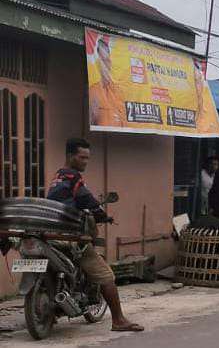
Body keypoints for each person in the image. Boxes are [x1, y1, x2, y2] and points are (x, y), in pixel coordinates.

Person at [47, 138, 143, 332]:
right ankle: (118, 320)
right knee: (106, 276)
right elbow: (85, 198)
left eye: (87, 158)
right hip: (69, 234)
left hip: (50, 232)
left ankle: (50, 315)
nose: (85, 162)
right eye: (82, 157)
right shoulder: (72, 176)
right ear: (70, 156)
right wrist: (101, 214)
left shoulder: (58, 176)